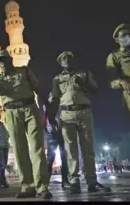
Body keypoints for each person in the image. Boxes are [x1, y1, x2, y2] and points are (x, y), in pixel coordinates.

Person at [0, 50, 52, 199]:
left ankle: (42, 186)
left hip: (29, 108)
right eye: (0, 60)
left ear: (11, 59)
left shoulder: (24, 71)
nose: (3, 63)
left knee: (36, 147)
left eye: (5, 59)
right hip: (11, 111)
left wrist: (48, 109)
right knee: (19, 149)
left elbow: (38, 88)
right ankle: (28, 186)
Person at [47, 51, 111, 194]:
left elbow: (95, 91)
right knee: (70, 150)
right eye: (64, 59)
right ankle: (74, 181)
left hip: (84, 112)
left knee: (88, 149)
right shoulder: (57, 79)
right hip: (66, 114)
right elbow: (55, 98)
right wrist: (52, 118)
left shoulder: (84, 74)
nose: (67, 61)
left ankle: (91, 182)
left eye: (69, 58)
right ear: (60, 63)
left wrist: (84, 85)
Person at [106, 24, 130, 161]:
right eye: (123, 35)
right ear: (117, 40)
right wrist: (121, 82)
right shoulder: (114, 56)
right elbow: (111, 81)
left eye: (129, 34)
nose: (127, 37)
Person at [43, 99, 70, 188]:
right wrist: (49, 129)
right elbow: (45, 121)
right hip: (53, 136)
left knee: (64, 158)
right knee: (50, 159)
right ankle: (45, 183)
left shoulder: (63, 106)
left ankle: (65, 180)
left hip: (63, 134)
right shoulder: (48, 108)